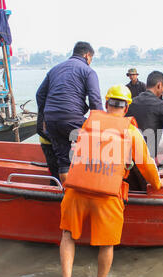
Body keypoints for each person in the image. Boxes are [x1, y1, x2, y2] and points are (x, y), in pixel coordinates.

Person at [58, 84, 163, 277]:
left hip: (76, 191)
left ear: (106, 103)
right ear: (127, 106)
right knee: (107, 244)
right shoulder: (131, 131)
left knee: (68, 235)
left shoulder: (88, 122)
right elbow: (146, 165)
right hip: (107, 195)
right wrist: (158, 184)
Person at [36, 41, 103, 184]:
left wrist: (43, 118)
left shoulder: (54, 69)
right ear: (87, 55)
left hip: (51, 120)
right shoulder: (88, 71)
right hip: (71, 118)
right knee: (97, 146)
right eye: (91, 59)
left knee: (63, 160)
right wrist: (100, 128)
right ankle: (93, 186)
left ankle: (67, 195)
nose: (90, 62)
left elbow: (40, 95)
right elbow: (95, 102)